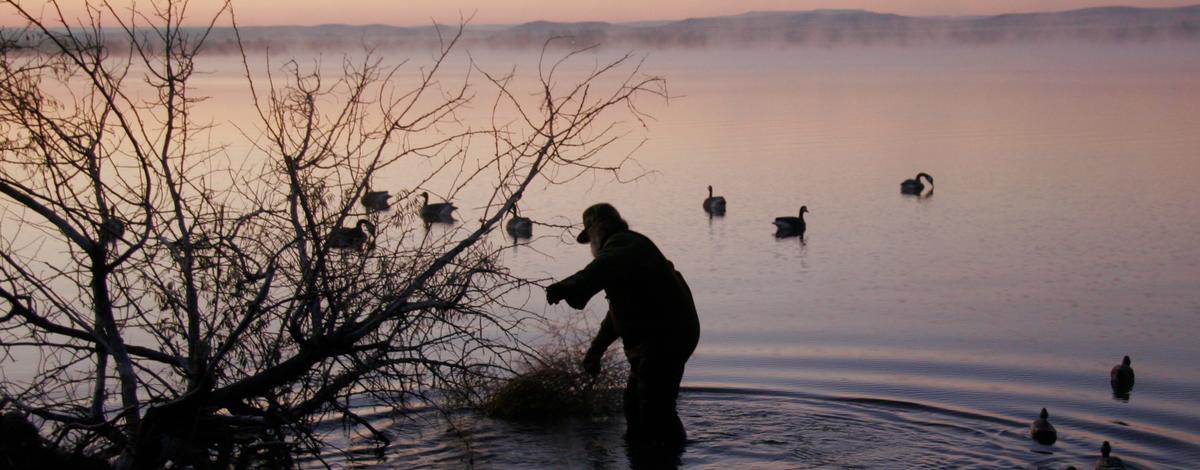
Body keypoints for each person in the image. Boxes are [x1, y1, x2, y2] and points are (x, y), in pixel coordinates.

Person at [546, 203, 701, 449]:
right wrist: (595, 351)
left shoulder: (624, 245)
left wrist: (569, 286)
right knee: (633, 405)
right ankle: (642, 454)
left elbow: (602, 266)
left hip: (665, 337)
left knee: (655, 407)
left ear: (598, 227)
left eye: (590, 236)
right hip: (661, 337)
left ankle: (669, 457)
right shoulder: (626, 251)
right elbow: (616, 315)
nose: (591, 246)